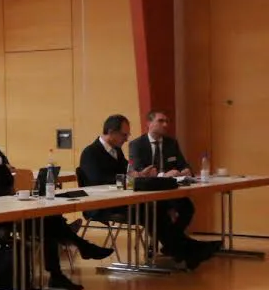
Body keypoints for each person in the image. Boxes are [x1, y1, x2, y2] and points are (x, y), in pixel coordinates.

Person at [0, 122, 112, 290]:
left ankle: (61, 270)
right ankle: (77, 249)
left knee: (48, 218)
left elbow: (7, 181)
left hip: (7, 209)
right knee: (48, 222)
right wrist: (9, 197)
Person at [80, 114, 219, 268]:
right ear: (111, 132)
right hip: (104, 205)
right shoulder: (90, 153)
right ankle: (186, 249)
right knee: (152, 210)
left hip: (122, 200)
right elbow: (99, 180)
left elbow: (127, 172)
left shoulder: (116, 152)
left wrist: (139, 174)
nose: (126, 139)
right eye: (124, 135)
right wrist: (131, 178)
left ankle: (184, 249)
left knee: (159, 206)